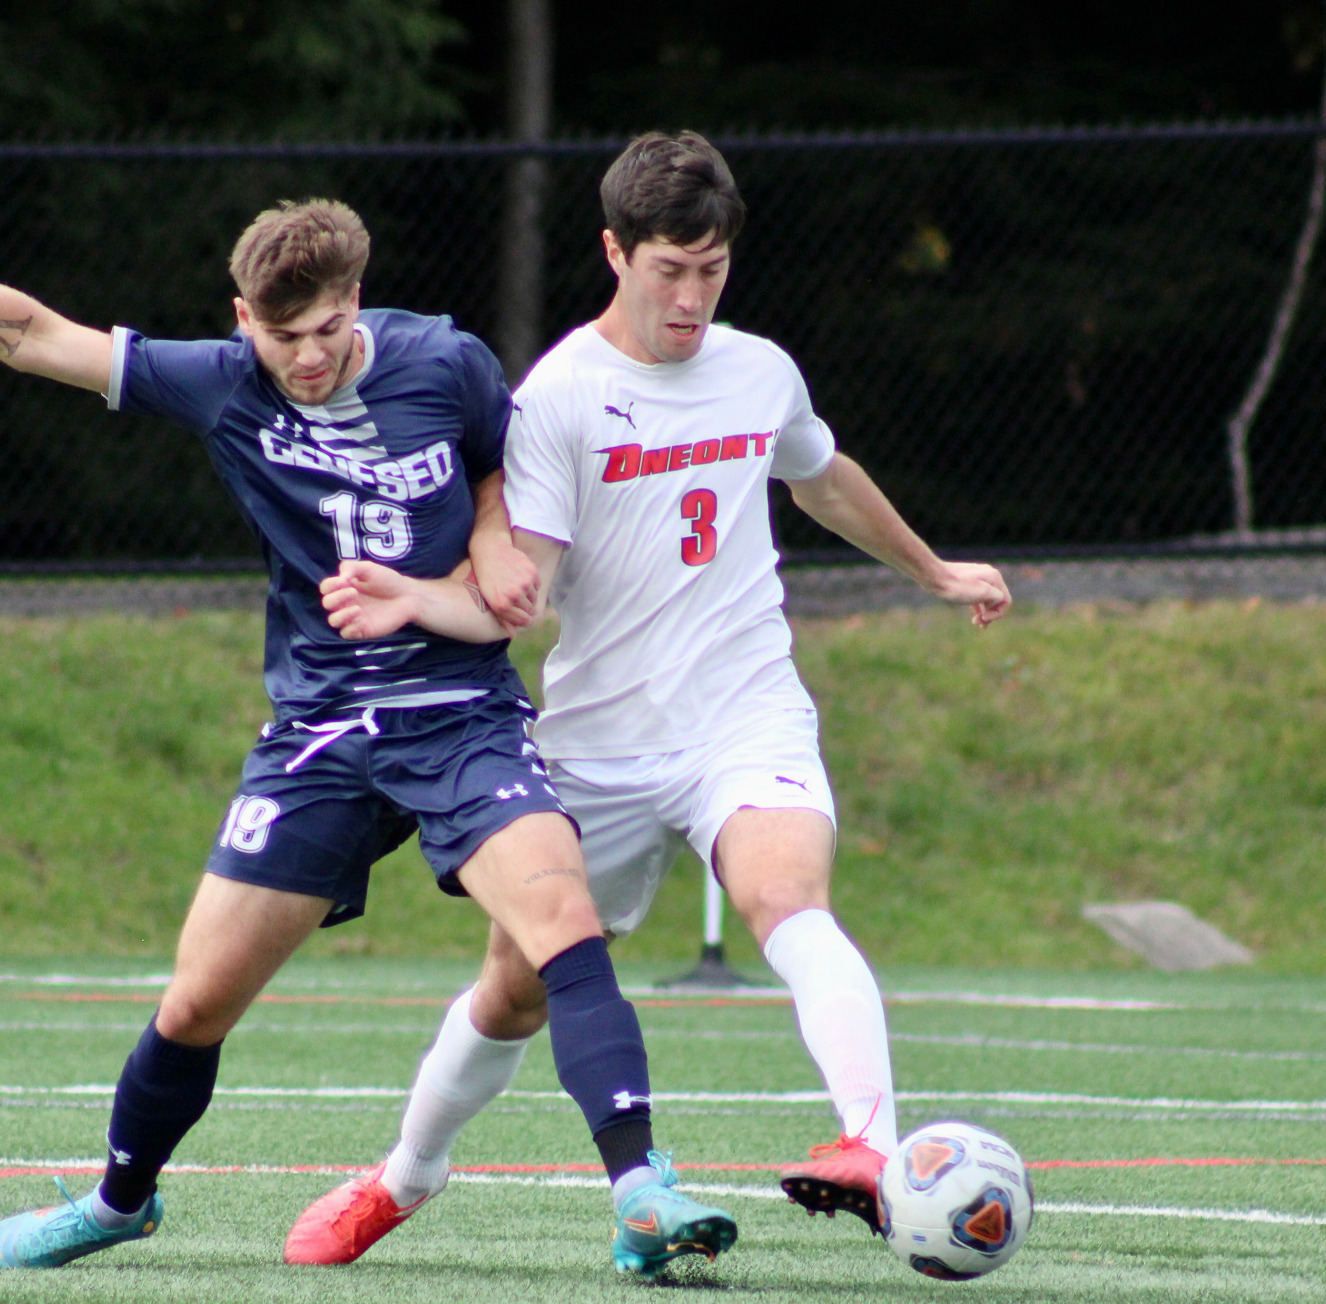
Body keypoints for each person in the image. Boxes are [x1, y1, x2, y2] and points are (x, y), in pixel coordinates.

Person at [0, 184, 738, 1279]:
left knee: (563, 920)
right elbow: (37, 336)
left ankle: (641, 1189)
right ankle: (117, 1199)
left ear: (356, 300)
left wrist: (495, 543)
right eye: (285, 337)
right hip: (321, 730)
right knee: (194, 1000)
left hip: (458, 710)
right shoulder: (225, 386)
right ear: (243, 320)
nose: (311, 356)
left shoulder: (444, 359)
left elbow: (493, 469)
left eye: (329, 329)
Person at [291, 130, 1012, 1263]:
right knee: (513, 986)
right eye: (667, 269)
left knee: (789, 899)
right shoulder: (561, 398)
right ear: (613, 252)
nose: (689, 297)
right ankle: (403, 1175)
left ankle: (866, 1145)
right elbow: (512, 593)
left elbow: (819, 474)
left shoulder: (759, 370)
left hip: (742, 711)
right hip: (597, 739)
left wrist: (932, 569)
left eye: (710, 271)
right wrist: (415, 600)